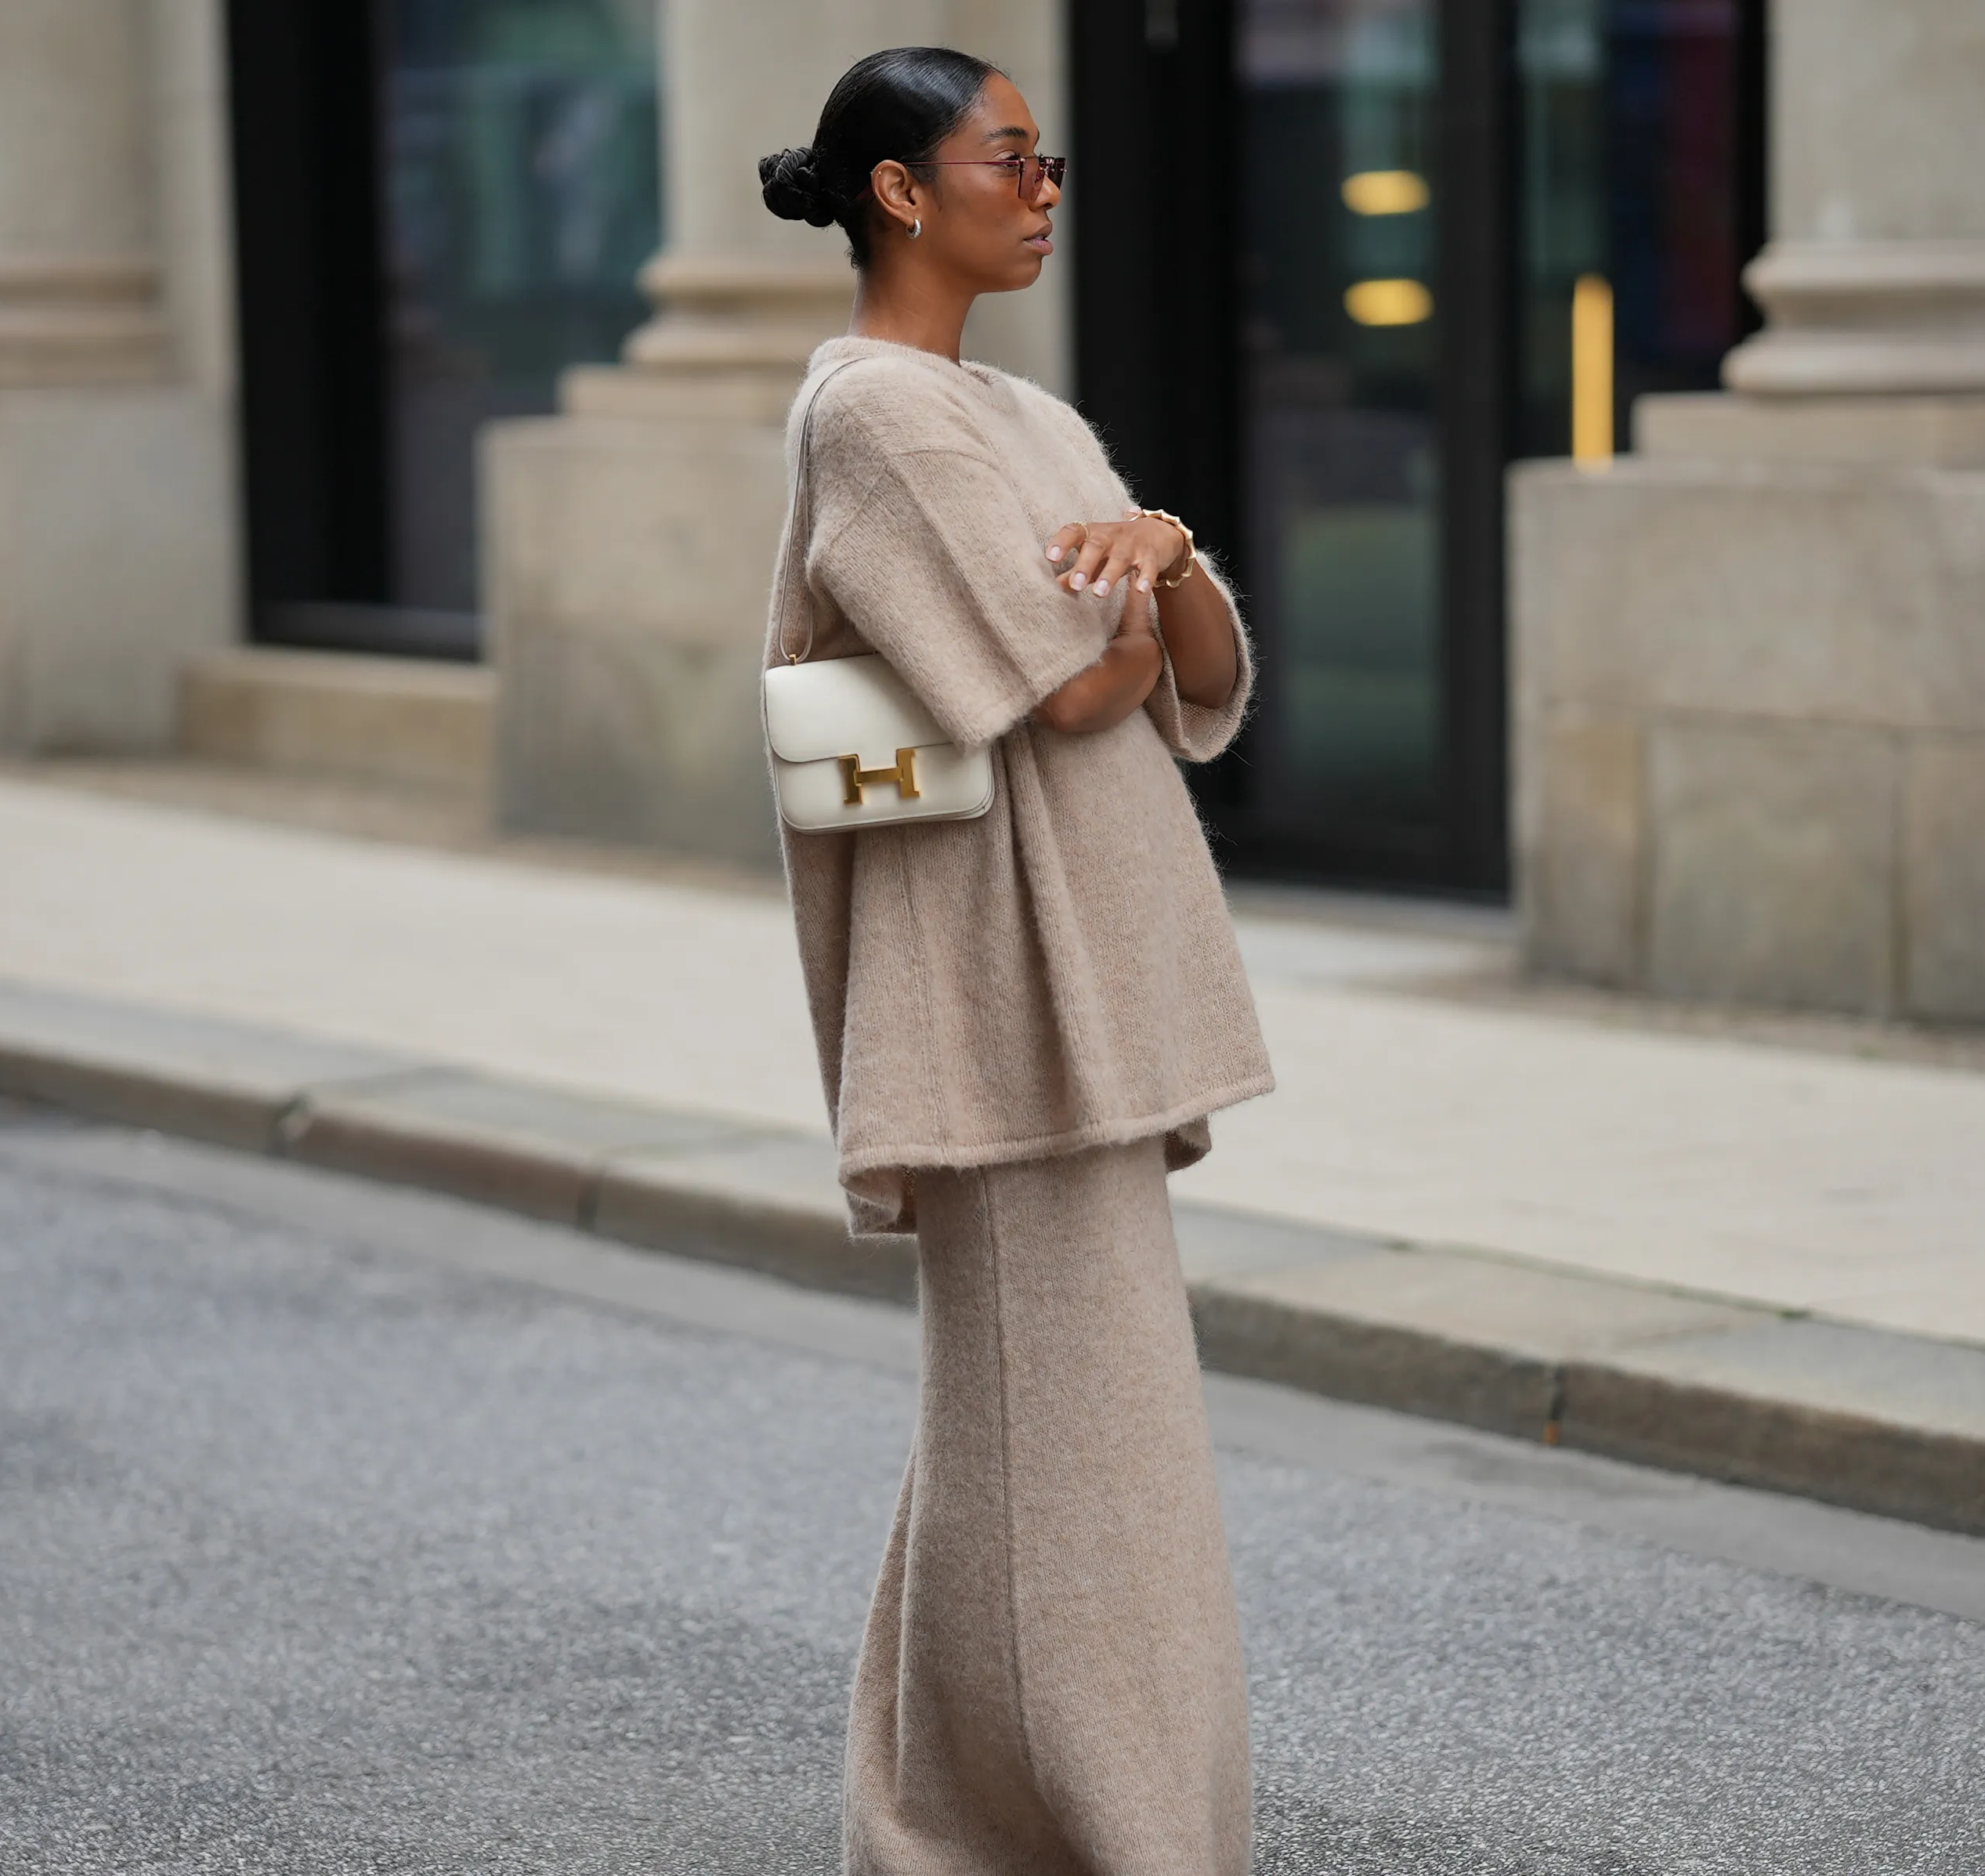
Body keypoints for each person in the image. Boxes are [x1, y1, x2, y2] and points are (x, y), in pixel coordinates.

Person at [756, 45, 1271, 1876]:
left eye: (1049, 164)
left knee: (1029, 1421)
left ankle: (942, 1822)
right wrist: (1133, 597)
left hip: (1081, 968)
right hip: (995, 985)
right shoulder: (875, 418)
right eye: (1010, 158)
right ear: (899, 190)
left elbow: (1194, 680)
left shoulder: (1018, 413)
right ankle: (1117, 1836)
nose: (1045, 190)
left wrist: (1161, 550)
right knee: (1076, 1438)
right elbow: (1072, 688)